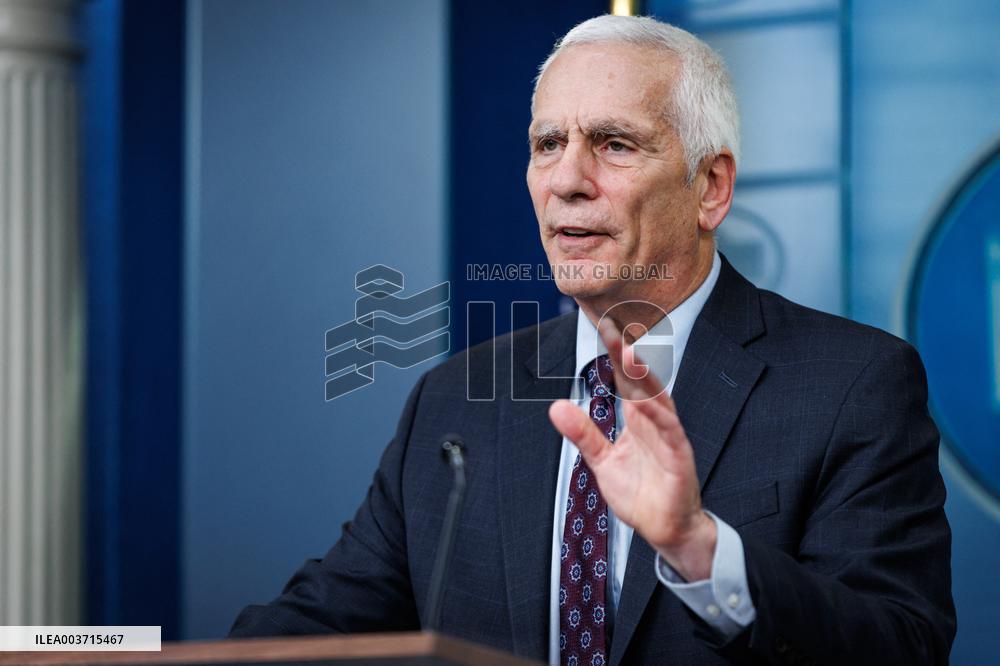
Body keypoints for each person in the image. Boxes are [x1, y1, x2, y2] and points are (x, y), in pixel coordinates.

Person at [230, 15, 956, 665]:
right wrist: (115, 642)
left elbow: (903, 643)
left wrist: (700, 551)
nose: (567, 180)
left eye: (613, 143)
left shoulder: (852, 383)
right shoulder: (453, 399)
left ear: (711, 188)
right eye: (548, 143)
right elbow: (320, 624)